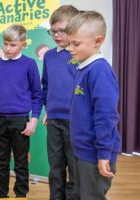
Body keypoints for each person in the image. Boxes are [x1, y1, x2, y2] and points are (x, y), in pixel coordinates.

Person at [66, 11, 121, 199]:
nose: (70, 48)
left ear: (98, 41)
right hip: (82, 150)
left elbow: (106, 116)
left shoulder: (100, 71)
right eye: (69, 42)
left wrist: (103, 153)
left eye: (76, 44)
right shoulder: (83, 67)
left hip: (96, 153)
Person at [0, 24, 43, 198]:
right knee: (1, 161)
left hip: (20, 120)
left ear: (23, 45)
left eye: (13, 45)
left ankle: (20, 194)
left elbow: (37, 95)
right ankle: (1, 193)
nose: (8, 48)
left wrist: (34, 119)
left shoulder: (30, 64)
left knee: (20, 162)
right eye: (5, 44)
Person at [41, 5, 80, 200]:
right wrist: (48, 108)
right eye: (53, 31)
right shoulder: (49, 56)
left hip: (75, 121)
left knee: (75, 168)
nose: (56, 35)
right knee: (55, 168)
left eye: (61, 31)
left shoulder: (79, 55)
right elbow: (46, 85)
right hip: (54, 120)